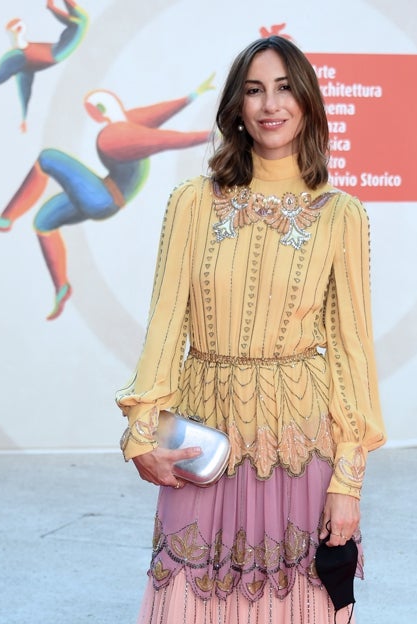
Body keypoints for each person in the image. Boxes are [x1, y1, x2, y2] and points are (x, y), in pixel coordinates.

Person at [116, 35, 386, 624]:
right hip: (202, 443)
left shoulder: (341, 213)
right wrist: (141, 431)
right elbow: (166, 327)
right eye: (255, 90)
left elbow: (351, 352)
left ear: (309, 103)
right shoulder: (192, 202)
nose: (270, 104)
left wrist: (349, 479)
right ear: (236, 107)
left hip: (299, 447)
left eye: (286, 89)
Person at [0, 76, 214, 320]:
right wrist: (195, 95)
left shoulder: (115, 135)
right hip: (101, 195)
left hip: (103, 199)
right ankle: (61, 287)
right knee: (44, 221)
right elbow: (160, 118)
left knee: (47, 158)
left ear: (99, 113)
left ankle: (6, 219)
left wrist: (212, 135)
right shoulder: (126, 124)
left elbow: (167, 139)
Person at [0, 0, 89, 133]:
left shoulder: (23, 59)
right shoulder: (20, 60)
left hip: (54, 50)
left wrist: (24, 118)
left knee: (80, 22)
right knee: (81, 22)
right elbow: (5, 80)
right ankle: (50, 7)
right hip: (56, 53)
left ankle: (50, 7)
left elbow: (21, 88)